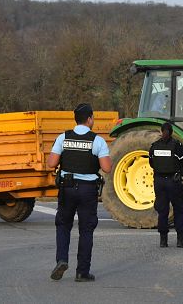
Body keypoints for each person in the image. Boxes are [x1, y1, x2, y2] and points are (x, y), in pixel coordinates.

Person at [47, 103, 112, 283]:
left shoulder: (63, 138)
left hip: (67, 188)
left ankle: (61, 260)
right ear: (90, 119)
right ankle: (82, 272)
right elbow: (107, 168)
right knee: (86, 229)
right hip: (87, 190)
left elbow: (51, 163)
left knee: (63, 225)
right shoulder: (97, 140)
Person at [148, 122, 183, 248]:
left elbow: (151, 163)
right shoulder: (176, 146)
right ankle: (180, 240)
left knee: (162, 211)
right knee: (179, 209)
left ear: (161, 131)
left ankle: (163, 241)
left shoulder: (154, 146)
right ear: (171, 132)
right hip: (173, 181)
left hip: (159, 182)